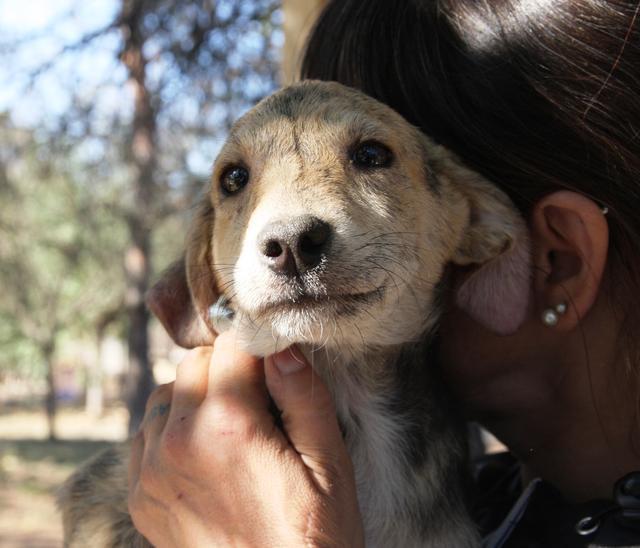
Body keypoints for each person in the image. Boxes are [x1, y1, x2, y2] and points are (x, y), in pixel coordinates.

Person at [127, 0, 640, 546]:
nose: (286, 230)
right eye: (236, 180)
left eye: (371, 156)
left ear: (555, 259)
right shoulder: (493, 501)